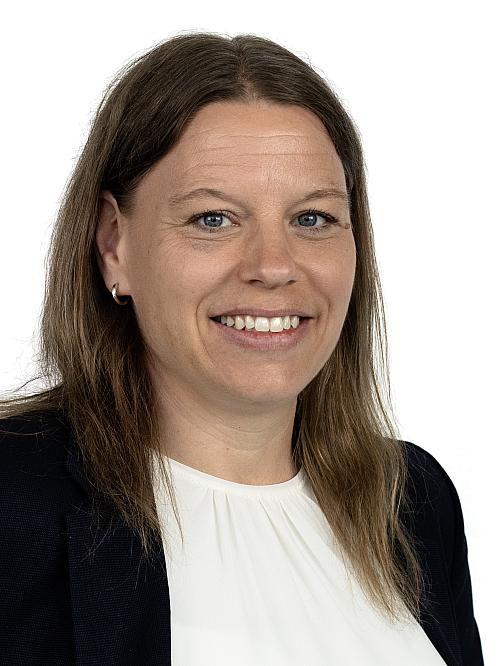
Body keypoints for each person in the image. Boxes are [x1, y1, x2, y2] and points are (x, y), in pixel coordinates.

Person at [0, 31, 483, 665]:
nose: (274, 266)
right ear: (114, 244)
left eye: (312, 219)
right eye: (213, 219)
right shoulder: (13, 499)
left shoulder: (412, 499)